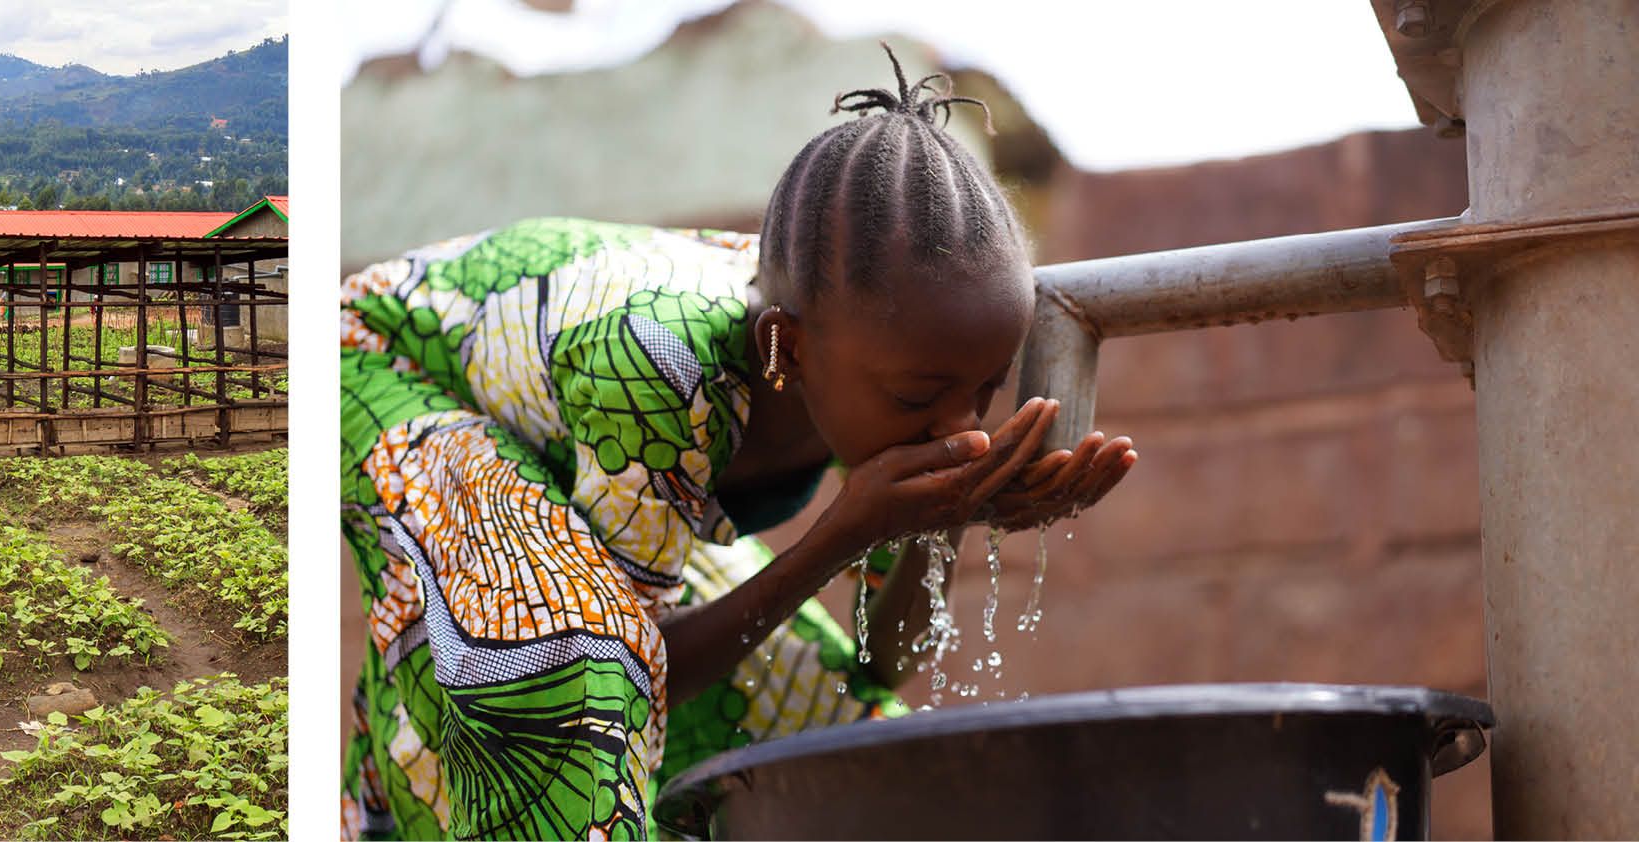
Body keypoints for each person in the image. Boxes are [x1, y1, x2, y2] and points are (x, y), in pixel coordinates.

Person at [339, 58, 1141, 840]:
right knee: (559, 653)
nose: (961, 426)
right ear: (783, 352)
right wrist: (845, 534)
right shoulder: (659, 367)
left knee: (813, 703)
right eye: (918, 399)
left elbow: (879, 666)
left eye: (987, 389)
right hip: (383, 363)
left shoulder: (878, 348)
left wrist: (948, 518)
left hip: (567, 423)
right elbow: (636, 662)